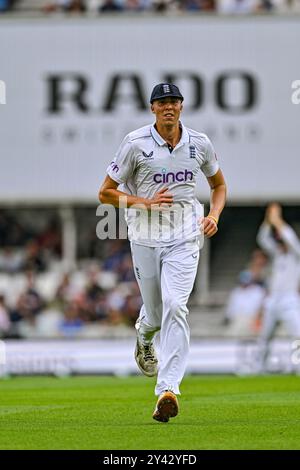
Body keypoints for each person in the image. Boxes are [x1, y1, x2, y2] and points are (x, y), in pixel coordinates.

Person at [99, 83, 226, 422]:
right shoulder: (134, 143)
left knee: (176, 306)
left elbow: (219, 186)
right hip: (144, 234)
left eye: (174, 101)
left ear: (182, 106)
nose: (168, 107)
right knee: (155, 314)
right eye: (162, 102)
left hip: (185, 235)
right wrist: (145, 202)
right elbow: (106, 194)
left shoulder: (199, 143)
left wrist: (213, 215)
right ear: (152, 108)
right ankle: (144, 336)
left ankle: (167, 390)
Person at [256, 203, 300, 372]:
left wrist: (277, 220)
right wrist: (268, 221)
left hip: (290, 301)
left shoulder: (296, 254)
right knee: (264, 338)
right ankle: (259, 368)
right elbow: (262, 239)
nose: (281, 243)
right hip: (273, 300)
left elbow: (291, 239)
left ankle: (298, 368)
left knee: (297, 336)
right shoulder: (277, 254)